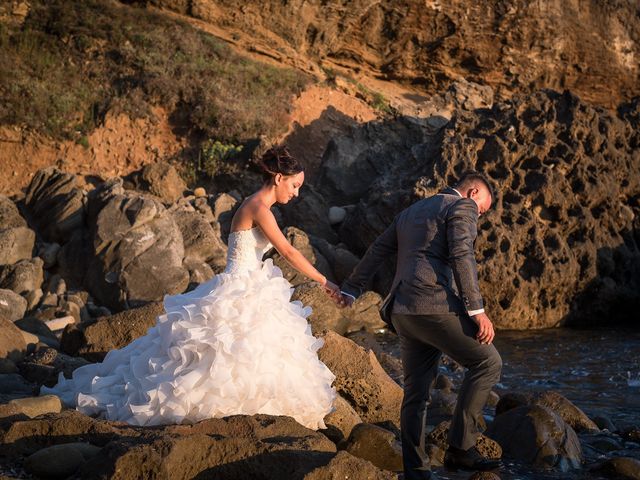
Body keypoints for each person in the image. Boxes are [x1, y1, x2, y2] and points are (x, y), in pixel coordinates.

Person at [42, 146, 338, 429]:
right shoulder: (259, 206)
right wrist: (325, 281)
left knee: (247, 352)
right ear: (278, 178)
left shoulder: (257, 204)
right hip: (240, 286)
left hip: (250, 284)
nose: (296, 192)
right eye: (295, 185)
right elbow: (288, 251)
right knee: (228, 351)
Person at [340, 172, 502, 478]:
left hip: (402, 310)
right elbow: (462, 254)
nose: (480, 215)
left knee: (416, 394)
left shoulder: (411, 211)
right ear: (473, 192)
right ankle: (460, 449)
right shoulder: (462, 207)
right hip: (434, 305)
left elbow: (378, 249)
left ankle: (416, 470)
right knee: (488, 363)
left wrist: (351, 287)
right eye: (483, 209)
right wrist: (476, 310)